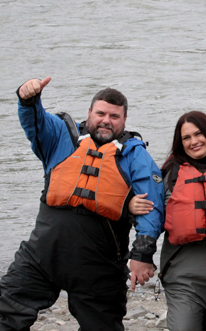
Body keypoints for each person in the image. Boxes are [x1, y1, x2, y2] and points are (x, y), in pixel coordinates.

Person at [0, 77, 165, 331]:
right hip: (44, 252)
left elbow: (151, 207)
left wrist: (142, 254)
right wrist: (28, 99)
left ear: (124, 120)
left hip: (99, 262)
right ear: (89, 113)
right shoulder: (61, 136)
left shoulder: (135, 155)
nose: (106, 120)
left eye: (114, 116)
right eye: (100, 113)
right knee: (6, 308)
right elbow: (36, 121)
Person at [128, 111, 206, 331]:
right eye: (186, 138)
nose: (194, 142)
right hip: (183, 272)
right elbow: (151, 216)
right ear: (180, 143)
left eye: (199, 134)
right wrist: (129, 207)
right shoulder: (170, 173)